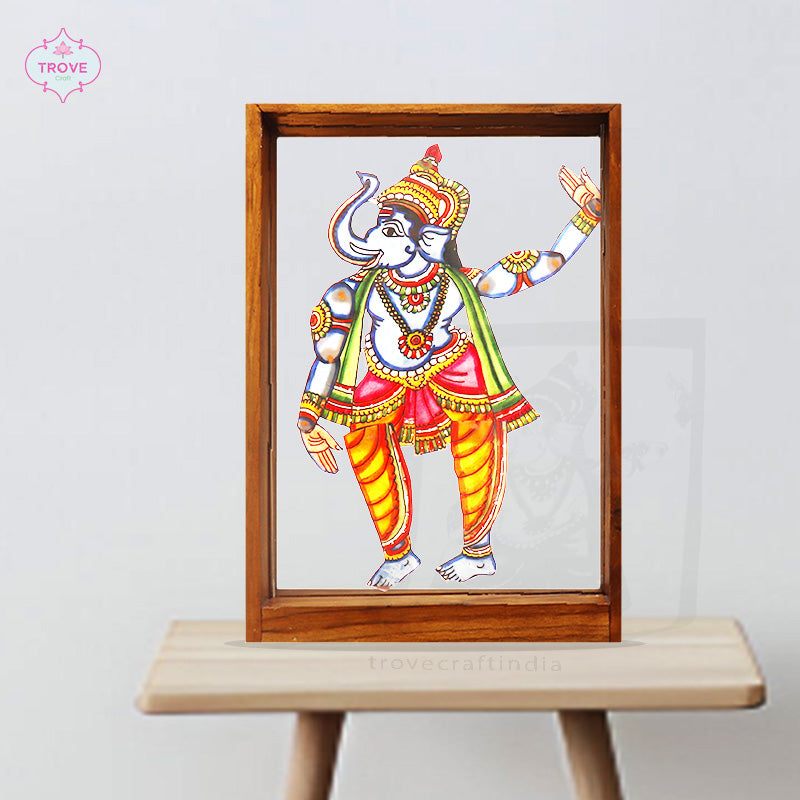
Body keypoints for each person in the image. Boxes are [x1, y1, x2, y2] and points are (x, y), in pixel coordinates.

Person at [297, 145, 601, 590]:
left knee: (479, 435)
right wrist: (308, 421)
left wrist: (588, 216)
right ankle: (397, 554)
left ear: (426, 239)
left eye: (388, 229)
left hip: (452, 369)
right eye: (378, 226)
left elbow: (545, 265)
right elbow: (328, 354)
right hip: (385, 377)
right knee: (363, 440)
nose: (374, 238)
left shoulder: (460, 284)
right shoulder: (353, 292)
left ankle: (478, 553)